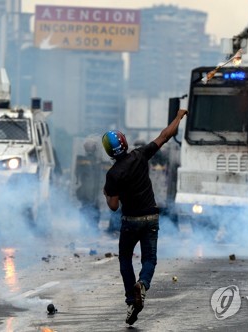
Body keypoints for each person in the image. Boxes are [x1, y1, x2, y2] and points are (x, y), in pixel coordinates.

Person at [102, 108, 188, 325]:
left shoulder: (112, 175)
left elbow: (113, 206)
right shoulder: (140, 155)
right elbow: (165, 136)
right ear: (125, 143)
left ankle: (132, 299)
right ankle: (143, 284)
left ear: (109, 152)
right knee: (149, 259)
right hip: (151, 217)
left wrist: (108, 193)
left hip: (130, 221)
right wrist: (178, 116)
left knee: (125, 259)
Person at [75, 139, 102, 233]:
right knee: (91, 209)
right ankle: (91, 227)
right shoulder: (88, 160)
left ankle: (87, 227)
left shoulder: (84, 159)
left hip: (89, 191)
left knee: (88, 208)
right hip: (90, 191)